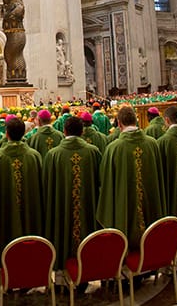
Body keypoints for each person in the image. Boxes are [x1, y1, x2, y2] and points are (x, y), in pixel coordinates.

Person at [96, 105, 165, 246]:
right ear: (137, 120)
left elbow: (106, 182)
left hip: (124, 210)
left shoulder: (113, 148)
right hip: (150, 207)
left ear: (119, 124)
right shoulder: (152, 144)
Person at [42, 114, 101, 267]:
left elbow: (47, 189)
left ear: (64, 131)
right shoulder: (93, 152)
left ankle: (62, 270)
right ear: (82, 132)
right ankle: (91, 266)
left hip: (62, 212)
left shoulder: (53, 155)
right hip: (88, 210)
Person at [0, 117, 43, 254]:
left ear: (6, 133)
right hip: (31, 212)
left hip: (5, 214)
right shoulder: (35, 156)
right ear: (24, 133)